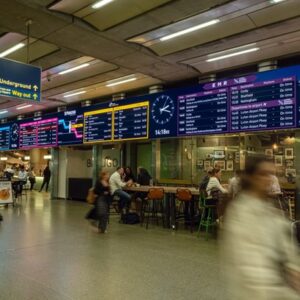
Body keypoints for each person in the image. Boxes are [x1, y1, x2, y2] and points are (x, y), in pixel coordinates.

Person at [222, 156, 300, 299]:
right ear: (251, 177)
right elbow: (254, 273)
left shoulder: (271, 210)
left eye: (272, 174)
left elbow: (288, 248)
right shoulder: (240, 214)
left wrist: (294, 269)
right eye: (263, 174)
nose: (269, 179)